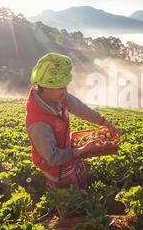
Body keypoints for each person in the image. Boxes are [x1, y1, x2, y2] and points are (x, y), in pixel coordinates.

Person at [25, 52, 121, 189]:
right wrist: (83, 150)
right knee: (71, 198)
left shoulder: (59, 97)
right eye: (61, 87)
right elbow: (52, 158)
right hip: (56, 169)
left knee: (81, 185)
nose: (65, 91)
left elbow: (82, 109)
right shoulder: (38, 124)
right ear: (46, 87)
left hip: (70, 153)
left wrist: (106, 123)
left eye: (65, 86)